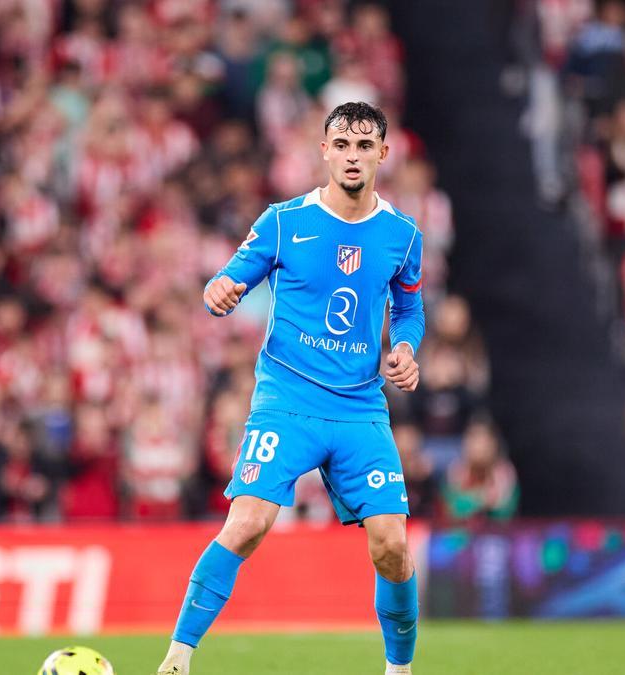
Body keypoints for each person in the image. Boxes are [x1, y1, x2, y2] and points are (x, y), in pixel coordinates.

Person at [157, 102, 425, 675]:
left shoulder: (402, 236)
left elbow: (408, 308)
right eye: (341, 145)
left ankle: (399, 671)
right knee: (248, 522)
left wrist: (403, 349)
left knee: (393, 547)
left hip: (359, 408)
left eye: (364, 145)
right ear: (324, 150)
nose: (352, 156)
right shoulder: (283, 221)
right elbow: (228, 277)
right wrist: (220, 290)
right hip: (288, 399)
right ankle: (178, 657)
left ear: (383, 152)